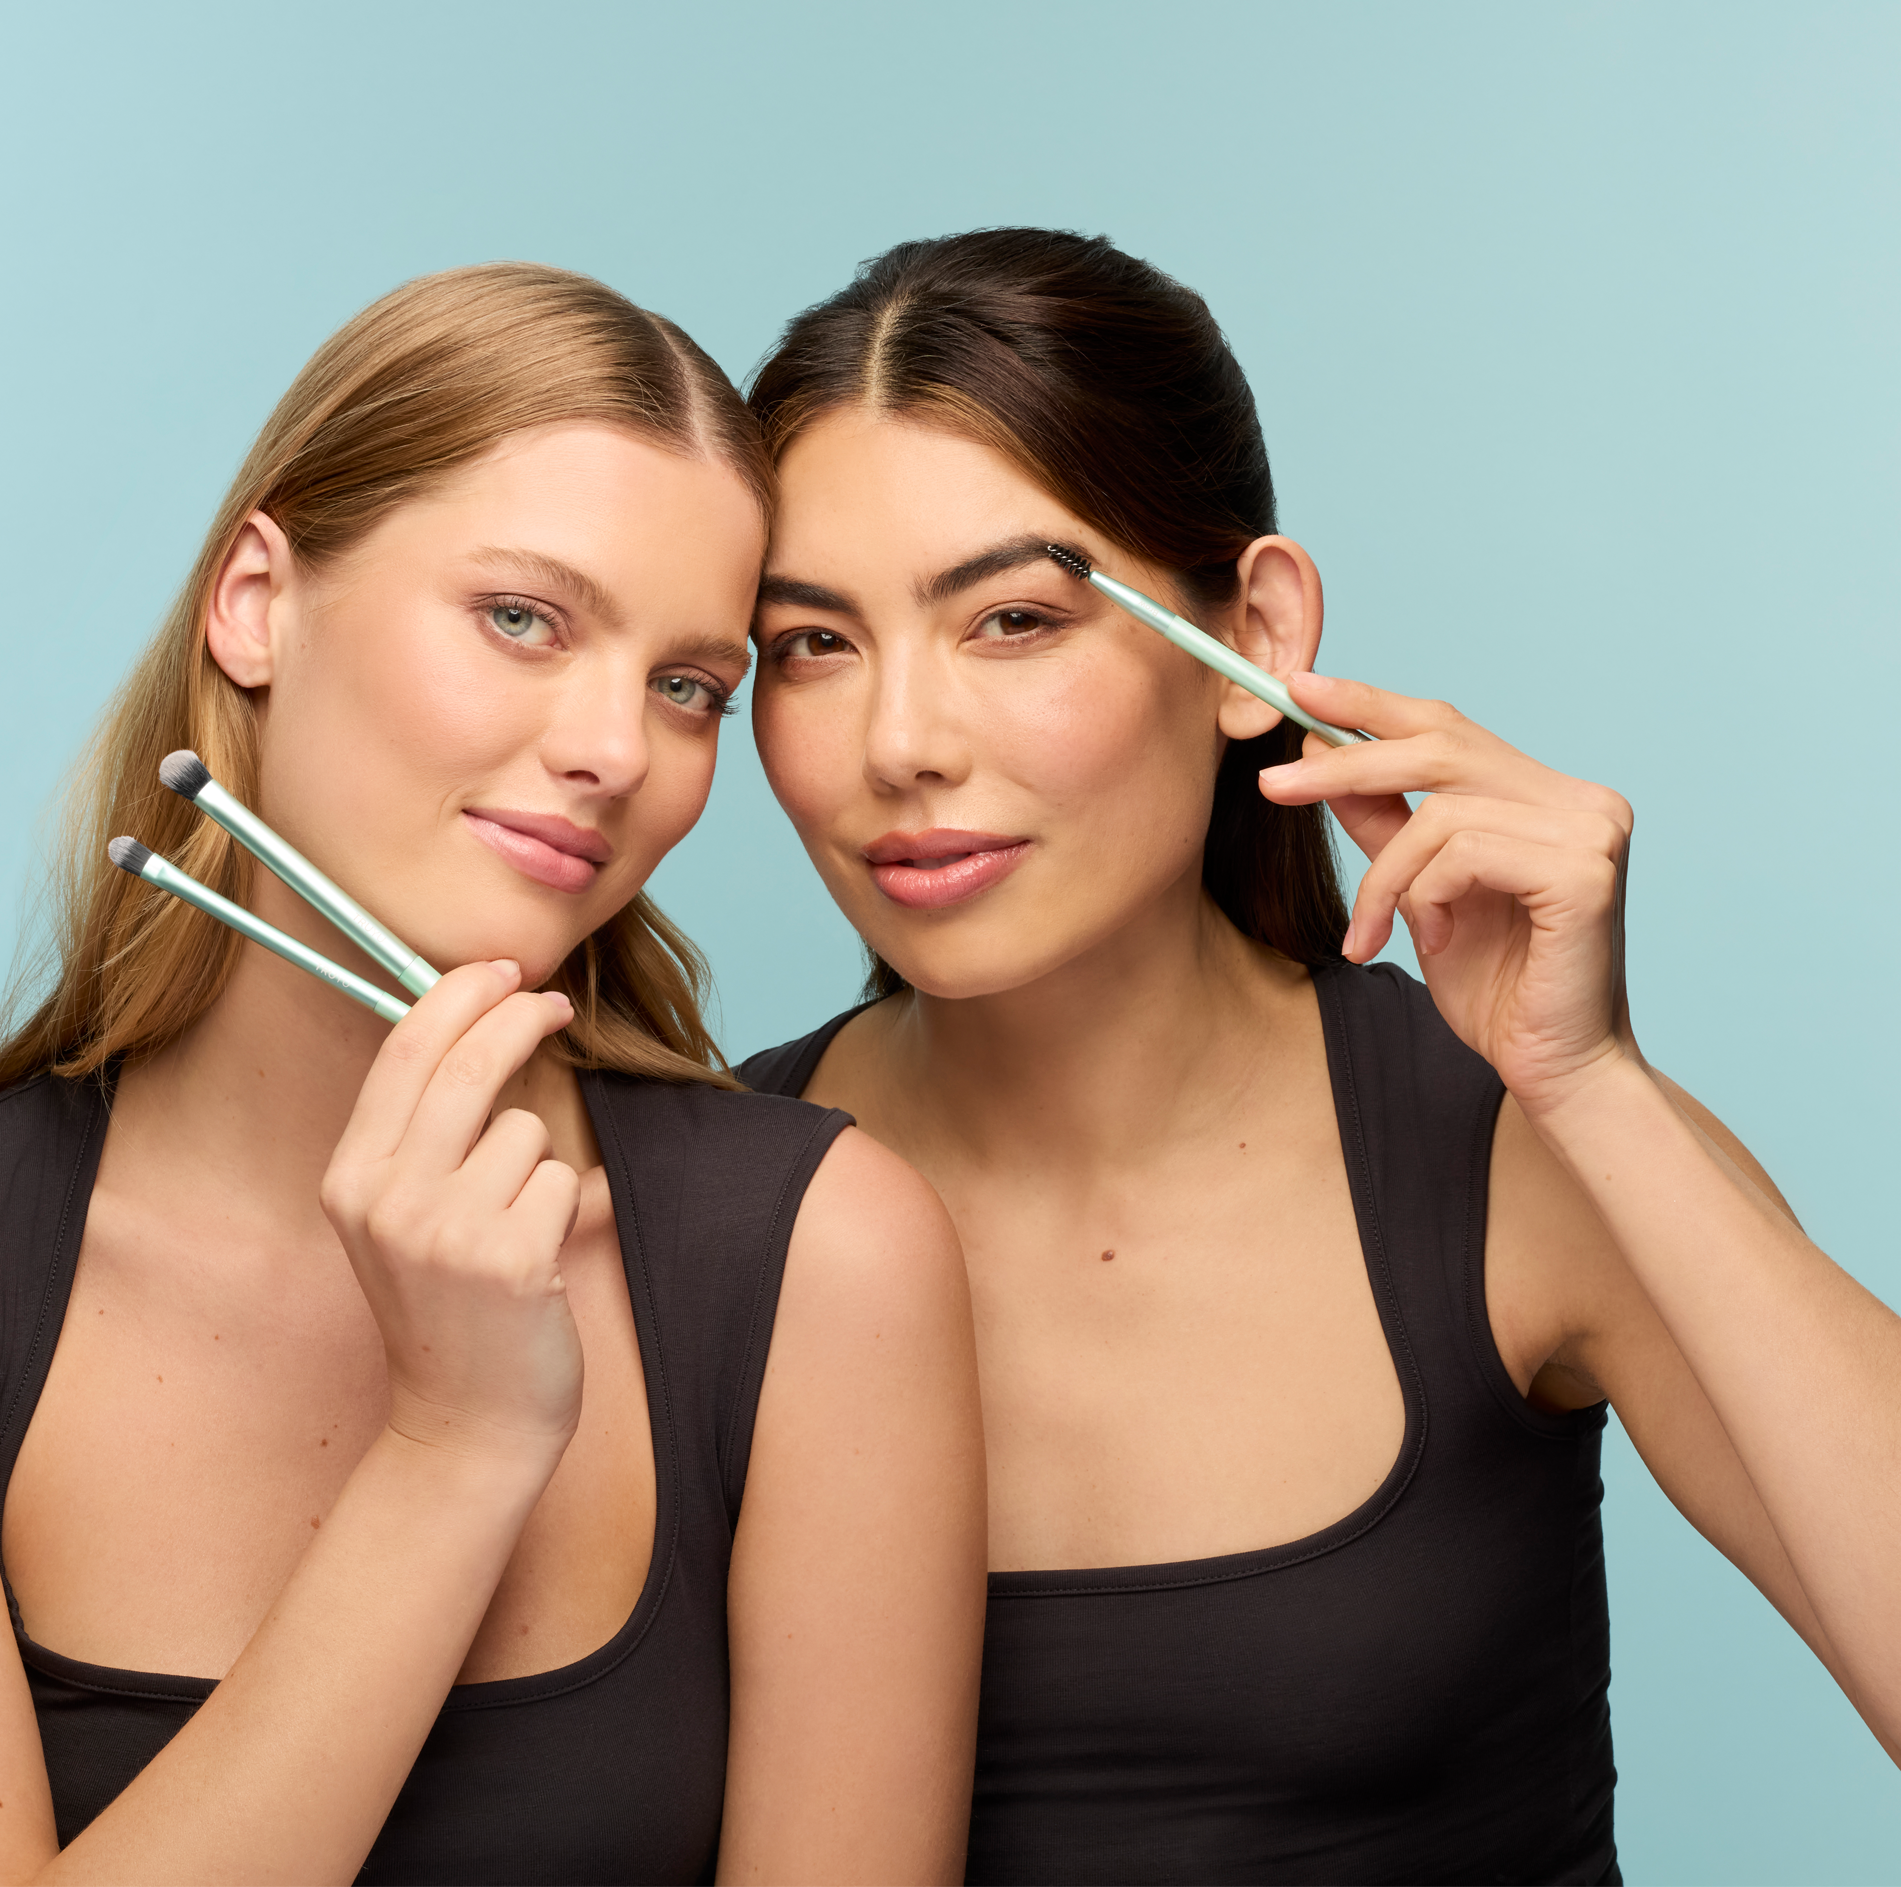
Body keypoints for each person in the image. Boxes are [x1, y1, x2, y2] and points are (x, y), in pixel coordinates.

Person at [0, 263, 985, 1886]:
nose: (614, 748)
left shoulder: (824, 1257)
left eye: (688, 687)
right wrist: (453, 1451)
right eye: (522, 618)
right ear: (256, 599)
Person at [735, 227, 1901, 1884]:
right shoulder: (689, 1208)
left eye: (1010, 619)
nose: (899, 744)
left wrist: (1595, 1090)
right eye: (811, 646)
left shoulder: (1509, 1149)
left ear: (1257, 638)